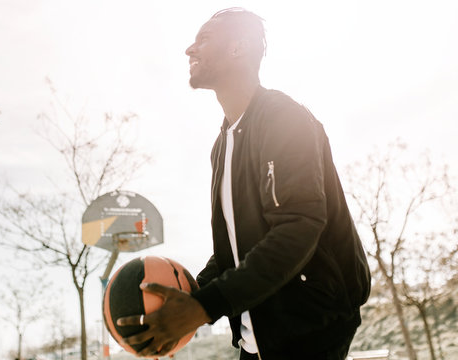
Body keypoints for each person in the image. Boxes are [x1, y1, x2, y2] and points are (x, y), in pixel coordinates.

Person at [116, 7, 372, 360]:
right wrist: (191, 297)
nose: (189, 50)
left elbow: (298, 227)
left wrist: (205, 307)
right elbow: (235, 251)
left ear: (238, 48)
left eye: (203, 39)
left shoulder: (284, 118)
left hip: (310, 324)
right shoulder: (222, 145)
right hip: (257, 335)